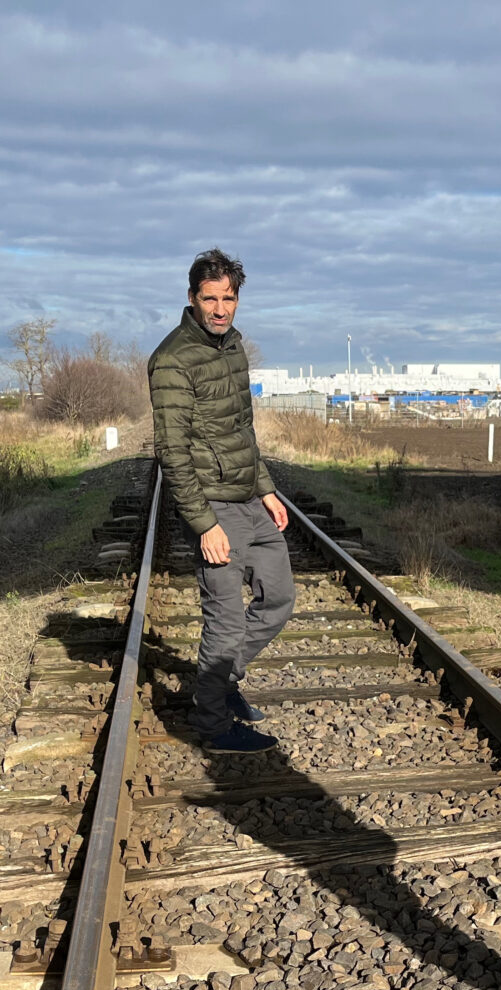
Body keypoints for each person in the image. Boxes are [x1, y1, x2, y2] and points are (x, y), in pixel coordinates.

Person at [148, 248, 295, 754]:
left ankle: (222, 681)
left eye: (227, 298)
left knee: (277, 598)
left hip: (248, 500)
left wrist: (267, 487)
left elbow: (242, 431)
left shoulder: (233, 349)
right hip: (213, 505)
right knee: (226, 620)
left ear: (237, 298)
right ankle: (211, 725)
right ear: (192, 299)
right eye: (209, 298)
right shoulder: (171, 360)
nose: (219, 308)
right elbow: (171, 450)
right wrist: (204, 524)